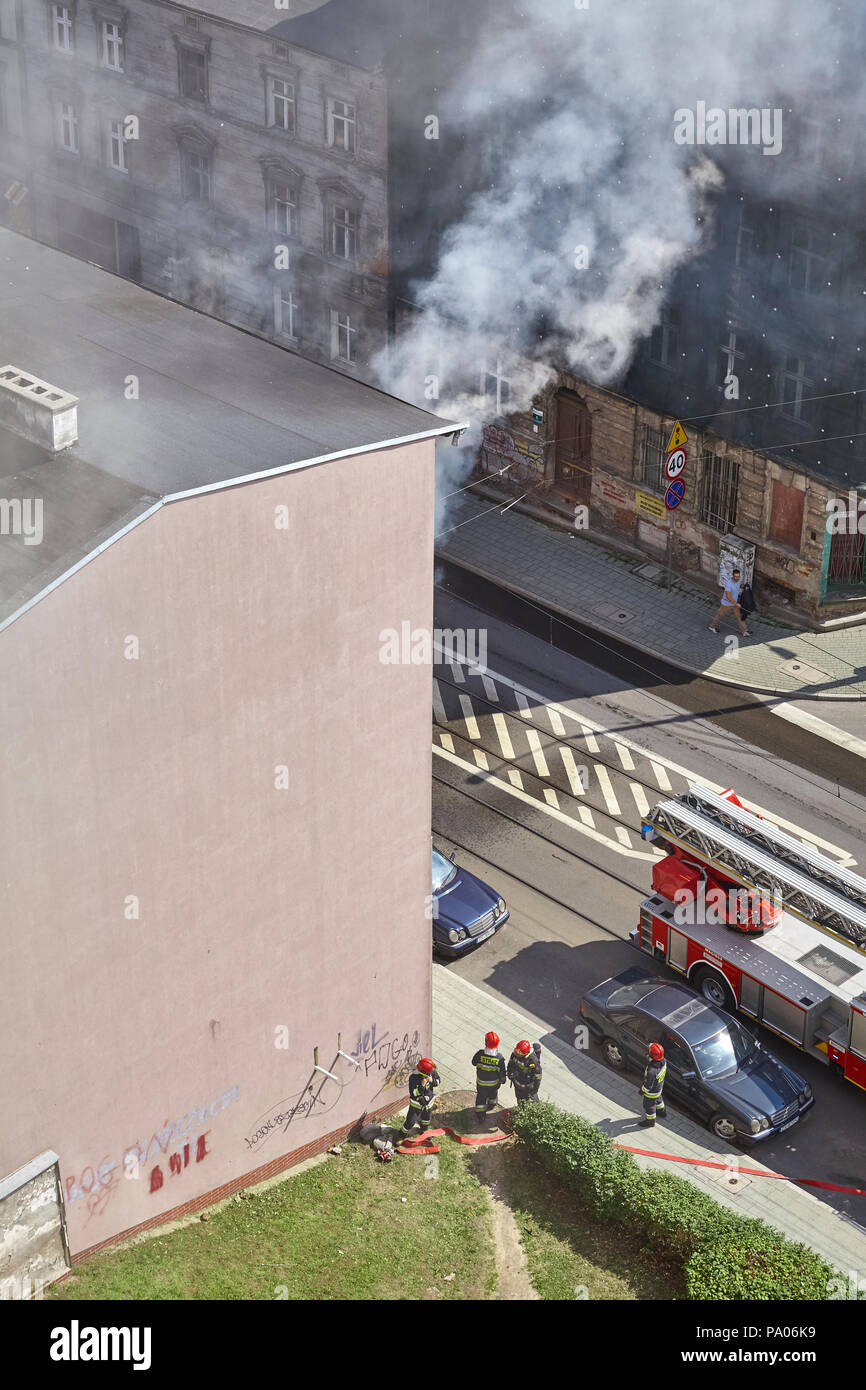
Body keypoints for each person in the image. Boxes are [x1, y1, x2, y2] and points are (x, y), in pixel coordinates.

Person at [398, 1057, 440, 1141]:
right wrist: (422, 1086)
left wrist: (432, 1081)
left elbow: (438, 1081)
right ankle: (401, 1135)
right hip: (416, 1106)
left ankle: (424, 1131)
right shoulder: (414, 1078)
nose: (433, 1072)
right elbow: (413, 1093)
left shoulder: (432, 1073)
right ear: (424, 1071)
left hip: (428, 1105)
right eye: (431, 1071)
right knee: (410, 1122)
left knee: (426, 1120)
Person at [472, 1031, 507, 1121]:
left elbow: (473, 1063)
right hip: (494, 1084)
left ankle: (481, 1115)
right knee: (493, 1094)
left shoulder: (480, 1054)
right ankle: (492, 1105)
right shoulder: (499, 1058)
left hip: (481, 1084)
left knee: (481, 1098)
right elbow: (502, 1073)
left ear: (486, 1042)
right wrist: (503, 1080)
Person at [709, 567, 749, 637]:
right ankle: (712, 626)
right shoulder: (729, 584)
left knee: (739, 616)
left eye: (738, 576)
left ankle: (745, 631)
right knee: (720, 615)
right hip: (726, 604)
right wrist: (736, 604)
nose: (737, 578)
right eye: (736, 577)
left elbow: (740, 585)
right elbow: (728, 596)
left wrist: (744, 586)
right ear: (733, 576)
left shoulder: (738, 581)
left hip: (734, 604)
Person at [639, 1043, 667, 1127]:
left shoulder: (652, 1071)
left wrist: (641, 1091)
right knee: (658, 1099)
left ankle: (650, 1121)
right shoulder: (664, 1061)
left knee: (648, 1105)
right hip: (659, 1088)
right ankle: (662, 1112)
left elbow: (648, 1086)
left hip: (651, 1093)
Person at [507, 1040, 542, 1104]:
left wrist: (534, 1090)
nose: (517, 1053)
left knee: (534, 1104)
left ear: (526, 1052)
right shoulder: (514, 1054)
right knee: (520, 1101)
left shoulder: (533, 1061)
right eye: (516, 1051)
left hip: (528, 1089)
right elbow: (510, 1064)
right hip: (517, 1085)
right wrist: (510, 1073)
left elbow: (538, 1077)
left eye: (519, 1053)